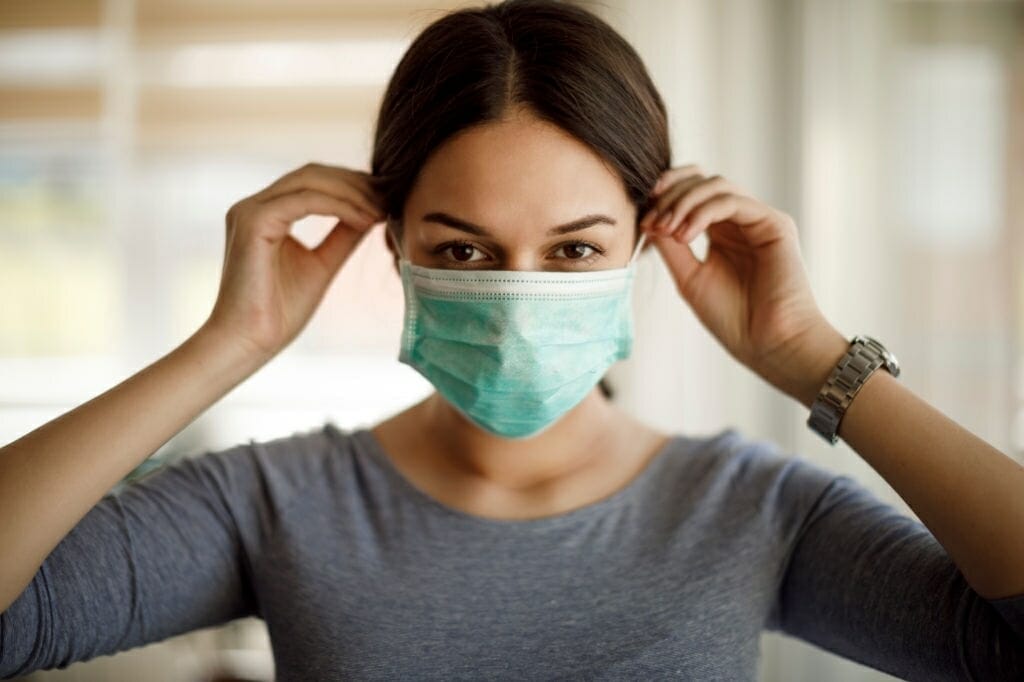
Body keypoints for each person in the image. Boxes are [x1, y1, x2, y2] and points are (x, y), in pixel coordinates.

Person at [1, 0, 1022, 679]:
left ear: (644, 245)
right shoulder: (273, 502)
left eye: (574, 251)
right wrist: (229, 343)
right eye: (467, 250)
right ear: (394, 244)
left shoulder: (754, 508)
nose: (520, 294)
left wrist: (809, 353)